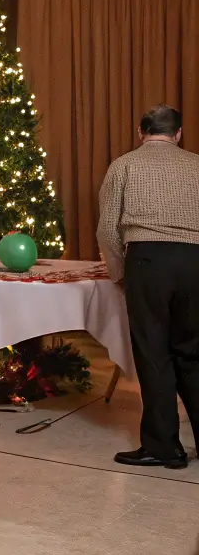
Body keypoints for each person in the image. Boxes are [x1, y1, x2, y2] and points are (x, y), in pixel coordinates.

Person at [98, 103, 199, 470]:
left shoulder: (124, 165)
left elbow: (108, 229)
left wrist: (119, 273)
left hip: (148, 261)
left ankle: (163, 447)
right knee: (193, 353)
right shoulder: (197, 165)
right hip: (195, 262)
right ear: (178, 134)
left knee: (154, 353)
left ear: (141, 133)